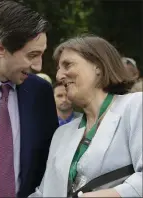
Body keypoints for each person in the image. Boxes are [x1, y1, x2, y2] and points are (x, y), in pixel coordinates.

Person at [30, 35, 142, 197]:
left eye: (67, 65)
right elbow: (43, 193)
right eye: (58, 69)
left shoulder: (135, 106)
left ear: (98, 66)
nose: (59, 76)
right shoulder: (62, 134)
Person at [0, 1, 58, 197]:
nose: (38, 66)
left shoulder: (40, 93)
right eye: (32, 55)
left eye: (42, 54)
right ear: (1, 48)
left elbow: (48, 162)